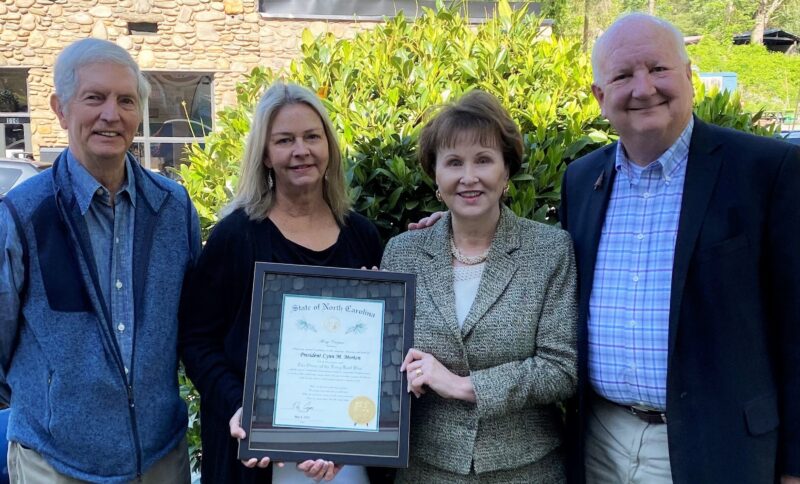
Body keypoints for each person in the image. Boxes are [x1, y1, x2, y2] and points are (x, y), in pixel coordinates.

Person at [559, 13, 800, 484]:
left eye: (658, 69)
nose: (644, 88)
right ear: (600, 96)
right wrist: (459, 224)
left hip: (718, 446)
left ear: (690, 76)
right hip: (600, 442)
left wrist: (795, 465)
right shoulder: (581, 179)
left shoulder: (768, 171)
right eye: (623, 75)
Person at [0, 38, 200, 482]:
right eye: (95, 98)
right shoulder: (22, 214)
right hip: (55, 464)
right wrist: (52, 402)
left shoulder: (173, 208)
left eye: (126, 100)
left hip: (160, 461)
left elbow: (193, 326)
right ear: (60, 107)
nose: (112, 114)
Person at [178, 82, 385, 484]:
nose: (300, 151)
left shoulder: (362, 237)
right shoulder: (235, 237)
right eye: (284, 140)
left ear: (329, 147)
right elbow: (196, 339)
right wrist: (242, 406)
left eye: (312, 136)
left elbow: (382, 353)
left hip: (347, 458)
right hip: (259, 460)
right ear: (266, 155)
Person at [382, 90, 578, 483]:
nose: (468, 177)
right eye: (453, 162)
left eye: (483, 160)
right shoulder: (402, 253)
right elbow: (384, 366)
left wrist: (462, 386)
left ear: (506, 171)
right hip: (424, 469)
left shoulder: (550, 250)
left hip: (526, 470)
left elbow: (561, 369)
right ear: (435, 175)